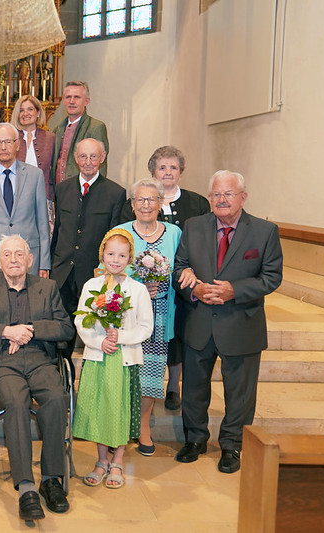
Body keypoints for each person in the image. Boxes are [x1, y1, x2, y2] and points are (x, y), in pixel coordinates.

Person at [173, 171, 282, 474]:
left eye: (228, 194)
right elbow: (179, 267)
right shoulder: (193, 226)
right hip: (199, 321)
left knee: (240, 393)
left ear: (243, 197)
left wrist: (235, 290)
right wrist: (194, 289)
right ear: (210, 198)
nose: (221, 200)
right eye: (216, 194)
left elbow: (272, 277)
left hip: (241, 322)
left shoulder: (264, 231)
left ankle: (232, 445)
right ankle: (194, 439)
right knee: (194, 388)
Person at [0, 235, 73, 521]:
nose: (14, 259)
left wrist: (29, 329)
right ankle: (26, 487)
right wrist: (7, 331)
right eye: (7, 255)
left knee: (57, 398)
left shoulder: (47, 287)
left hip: (40, 359)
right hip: (3, 361)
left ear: (30, 260)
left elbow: (65, 328)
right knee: (16, 403)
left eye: (19, 254)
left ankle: (50, 479)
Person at [120, 145, 211, 411]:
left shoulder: (196, 204)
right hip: (139, 295)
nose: (168, 171)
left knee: (176, 338)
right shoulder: (133, 211)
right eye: (162, 167)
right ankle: (137, 391)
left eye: (173, 167)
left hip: (179, 286)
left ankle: (172, 387)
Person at [73, 229, 153, 490]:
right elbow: (81, 321)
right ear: (102, 255)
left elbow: (146, 327)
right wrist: (100, 341)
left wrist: (120, 338)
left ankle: (117, 460)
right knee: (99, 409)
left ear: (130, 257)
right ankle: (101, 460)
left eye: (121, 255)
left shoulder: (137, 290)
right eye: (110, 254)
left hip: (124, 359)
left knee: (120, 410)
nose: (115, 260)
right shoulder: (92, 286)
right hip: (99, 357)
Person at [114, 179, 183, 456]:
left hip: (160, 315)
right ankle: (119, 425)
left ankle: (143, 427)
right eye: (140, 200)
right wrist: (138, 282)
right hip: (125, 315)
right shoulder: (119, 232)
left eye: (152, 199)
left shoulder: (175, 233)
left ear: (161, 203)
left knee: (151, 374)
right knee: (124, 372)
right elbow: (103, 270)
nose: (146, 205)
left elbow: (183, 267)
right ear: (132, 205)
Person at [51, 138, 126, 361]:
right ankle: (62, 373)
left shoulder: (115, 193)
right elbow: (58, 232)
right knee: (62, 330)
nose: (88, 162)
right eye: (83, 156)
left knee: (95, 332)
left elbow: (114, 238)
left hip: (94, 273)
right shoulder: (62, 189)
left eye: (93, 157)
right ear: (76, 158)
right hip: (63, 271)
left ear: (102, 158)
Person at [0, 122, 50, 279]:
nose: (3, 147)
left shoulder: (35, 175)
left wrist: (44, 263)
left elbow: (42, 223)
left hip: (26, 259)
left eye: (8, 142)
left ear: (17, 144)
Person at [48, 81, 109, 184]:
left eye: (77, 97)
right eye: (68, 97)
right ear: (63, 101)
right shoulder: (57, 130)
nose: (71, 101)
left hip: (84, 191)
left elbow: (101, 167)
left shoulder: (95, 127)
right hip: (59, 190)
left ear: (86, 101)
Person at [11, 95, 56, 218]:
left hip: (44, 196)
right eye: (21, 110)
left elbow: (55, 169)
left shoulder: (50, 138)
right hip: (16, 198)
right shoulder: (12, 137)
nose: (25, 113)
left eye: (30, 109)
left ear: (38, 113)